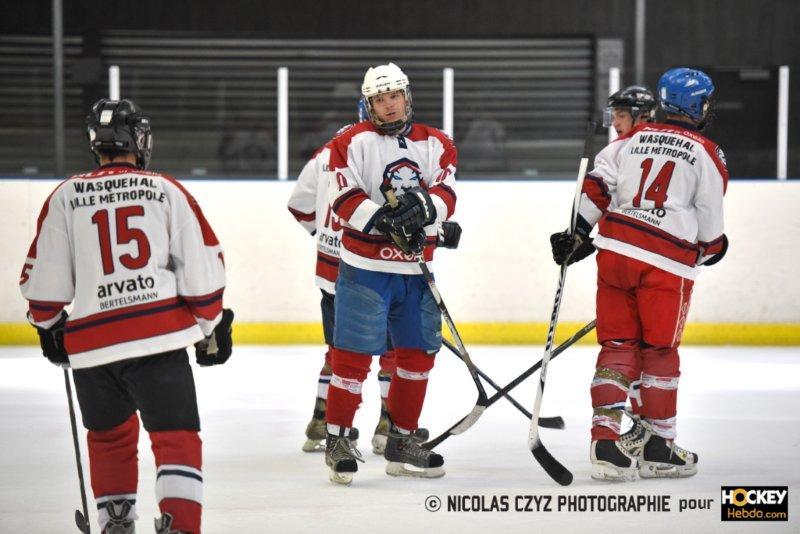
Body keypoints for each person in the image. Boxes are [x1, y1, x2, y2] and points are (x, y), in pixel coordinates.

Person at [20, 99, 233, 533]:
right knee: (175, 438)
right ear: (139, 141)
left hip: (93, 349)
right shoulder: (165, 190)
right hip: (158, 341)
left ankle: (115, 522)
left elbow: (43, 287)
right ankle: (180, 525)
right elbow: (201, 270)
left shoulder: (65, 196)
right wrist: (211, 325)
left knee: (109, 438)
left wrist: (50, 327)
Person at [550, 68, 728, 482]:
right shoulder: (707, 152)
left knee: (617, 346)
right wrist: (714, 249)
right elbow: (710, 231)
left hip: (615, 254)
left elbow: (597, 189)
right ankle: (658, 446)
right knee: (659, 352)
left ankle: (605, 443)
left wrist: (577, 232)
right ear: (697, 105)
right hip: (665, 263)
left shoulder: (629, 141)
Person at [289, 100, 459, 456]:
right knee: (391, 351)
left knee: (340, 350)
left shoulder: (328, 152)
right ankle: (387, 425)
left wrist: (327, 237)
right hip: (369, 264)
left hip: (332, 269)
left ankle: (323, 419)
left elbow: (300, 206)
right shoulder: (373, 149)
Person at [322, 62, 457, 484]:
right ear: (369, 104)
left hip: (414, 270)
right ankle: (337, 439)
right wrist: (384, 219)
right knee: (352, 355)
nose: (389, 105)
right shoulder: (349, 142)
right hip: (365, 269)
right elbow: (342, 196)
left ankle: (401, 440)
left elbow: (446, 192)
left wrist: (426, 211)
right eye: (380, 99)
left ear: (406, 96)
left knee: (417, 355)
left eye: (395, 96)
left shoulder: (437, 142)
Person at [599, 85, 657, 456]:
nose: (615, 122)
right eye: (615, 115)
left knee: (631, 348)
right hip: (653, 263)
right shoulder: (672, 147)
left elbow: (594, 197)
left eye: (621, 115)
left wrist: (578, 233)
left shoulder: (617, 151)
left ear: (641, 116)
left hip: (626, 261)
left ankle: (634, 425)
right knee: (645, 349)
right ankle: (647, 426)